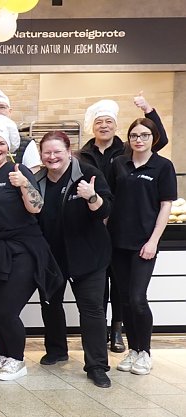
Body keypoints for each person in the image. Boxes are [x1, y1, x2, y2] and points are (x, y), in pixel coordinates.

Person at [0, 115, 61, 382]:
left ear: (8, 146)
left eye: (0, 143)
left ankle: (17, 360)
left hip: (23, 249)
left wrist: (24, 186)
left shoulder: (19, 171)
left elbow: (36, 207)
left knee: (6, 310)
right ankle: (1, 354)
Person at [77, 95, 169, 353]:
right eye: (99, 122)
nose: (104, 125)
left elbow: (158, 137)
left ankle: (118, 330)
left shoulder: (128, 152)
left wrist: (149, 110)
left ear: (117, 127)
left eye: (109, 121)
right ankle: (103, 329)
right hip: (97, 226)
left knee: (124, 289)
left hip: (129, 230)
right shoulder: (82, 154)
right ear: (91, 126)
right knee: (100, 281)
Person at [33, 131, 114, 388]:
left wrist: (91, 196)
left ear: (69, 151)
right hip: (53, 257)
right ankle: (57, 350)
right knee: (50, 305)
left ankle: (97, 366)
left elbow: (106, 209)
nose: (52, 156)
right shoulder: (37, 180)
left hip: (89, 256)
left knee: (91, 310)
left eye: (58, 151)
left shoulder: (88, 174)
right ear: (41, 155)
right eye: (47, 152)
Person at [109, 118, 176, 376]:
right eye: (134, 135)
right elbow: (110, 200)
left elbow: (166, 205)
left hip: (144, 244)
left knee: (138, 299)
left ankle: (145, 351)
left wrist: (153, 241)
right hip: (118, 243)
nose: (139, 139)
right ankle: (133, 350)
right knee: (124, 300)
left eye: (145, 135)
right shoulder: (119, 164)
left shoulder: (162, 166)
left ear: (153, 138)